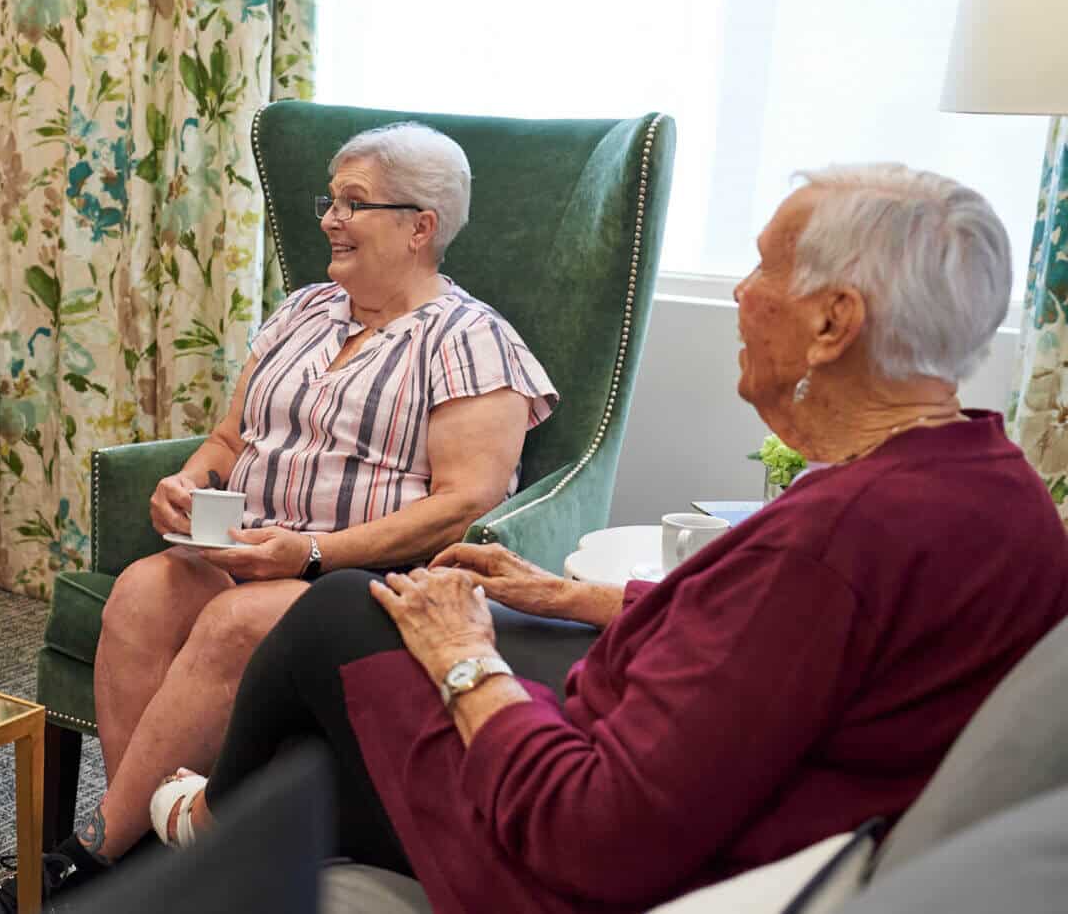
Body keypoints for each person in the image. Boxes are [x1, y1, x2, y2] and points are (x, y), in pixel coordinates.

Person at [146, 163, 1068, 914]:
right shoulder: (1000, 488)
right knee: (456, 634)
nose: (742, 293)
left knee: (348, 608)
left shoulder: (831, 543)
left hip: (569, 866)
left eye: (761, 272)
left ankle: (209, 824)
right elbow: (771, 658)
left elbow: (588, 835)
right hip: (729, 790)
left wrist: (468, 661)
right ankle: (240, 830)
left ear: (833, 324)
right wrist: (574, 596)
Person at [0, 122, 558, 912]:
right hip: (250, 550)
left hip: (365, 583)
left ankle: (91, 857)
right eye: (329, 200)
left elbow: (466, 500)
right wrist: (188, 478)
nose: (329, 220)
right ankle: (159, 856)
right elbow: (230, 437)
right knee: (140, 590)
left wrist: (311, 551)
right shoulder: (307, 309)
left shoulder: (472, 340)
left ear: (421, 227)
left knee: (238, 621)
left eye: (354, 203)